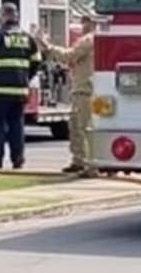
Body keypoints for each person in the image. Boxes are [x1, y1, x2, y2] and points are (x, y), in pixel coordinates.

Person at [0, 2, 41, 170]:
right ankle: (18, 159)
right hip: (19, 90)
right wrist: (26, 77)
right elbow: (36, 61)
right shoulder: (27, 38)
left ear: (3, 16)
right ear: (16, 16)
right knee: (16, 125)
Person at [36, 13, 97, 176]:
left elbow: (69, 56)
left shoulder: (89, 40)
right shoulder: (96, 39)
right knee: (76, 127)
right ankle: (79, 161)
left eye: (85, 21)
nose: (82, 24)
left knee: (84, 129)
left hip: (85, 89)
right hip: (84, 88)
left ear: (92, 23)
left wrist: (48, 46)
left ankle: (91, 165)